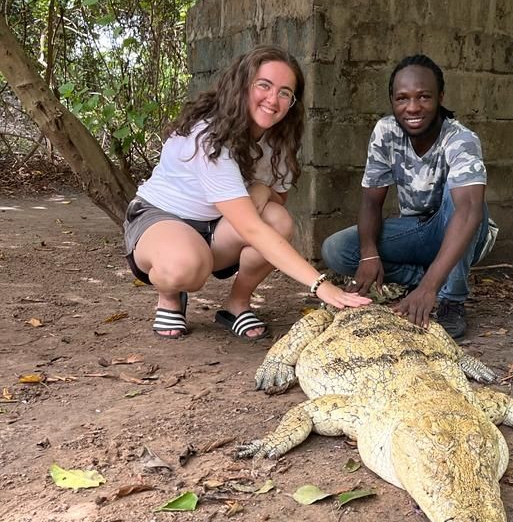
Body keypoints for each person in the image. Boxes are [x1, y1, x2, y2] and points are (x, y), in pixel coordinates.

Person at [124, 45, 370, 339]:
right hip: (161, 220)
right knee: (185, 265)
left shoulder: (279, 139)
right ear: (242, 86)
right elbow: (251, 229)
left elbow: (278, 200)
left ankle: (237, 304)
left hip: (217, 229)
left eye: (284, 92)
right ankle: (169, 297)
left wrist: (262, 189)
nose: (273, 99)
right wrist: (322, 286)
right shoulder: (210, 137)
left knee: (278, 221)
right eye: (264, 86)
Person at [321, 54, 497, 340]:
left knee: (461, 200)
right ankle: (426, 277)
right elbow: (370, 200)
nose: (413, 107)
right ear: (392, 100)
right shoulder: (386, 132)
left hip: (458, 230)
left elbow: (469, 210)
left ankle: (451, 298)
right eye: (402, 98)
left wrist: (429, 289)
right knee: (336, 249)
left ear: (440, 96)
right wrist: (369, 254)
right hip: (415, 231)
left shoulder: (461, 139)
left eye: (424, 97)